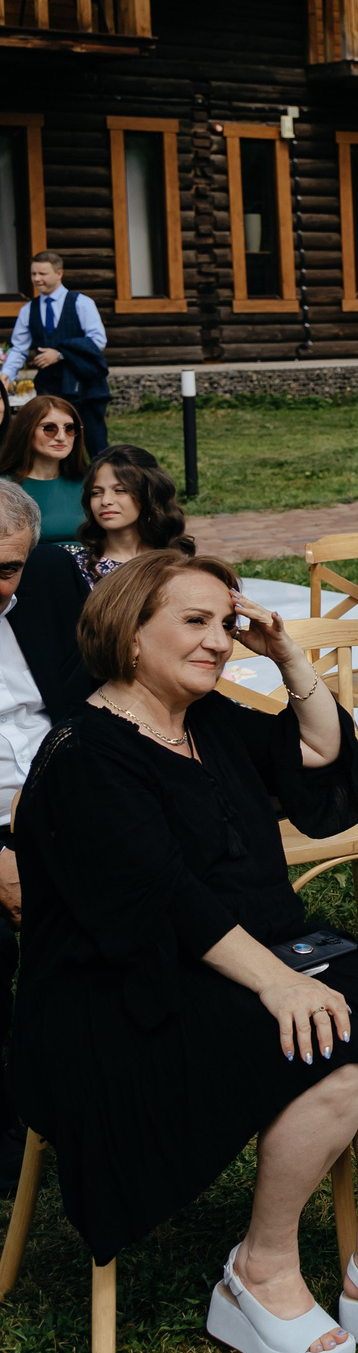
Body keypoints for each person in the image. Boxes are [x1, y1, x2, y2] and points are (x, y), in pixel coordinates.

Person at [10, 553, 358, 1353]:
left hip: (239, 950)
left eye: (223, 624)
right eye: (193, 623)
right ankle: (258, 1272)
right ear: (128, 634)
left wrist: (290, 657)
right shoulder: (86, 753)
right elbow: (162, 901)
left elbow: (321, 761)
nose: (219, 642)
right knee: (328, 1057)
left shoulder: (206, 717)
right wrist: (279, 981)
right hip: (119, 989)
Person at [0, 481, 89, 1198]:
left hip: (55, 788)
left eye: (7, 569)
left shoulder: (52, 575)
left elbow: (92, 694)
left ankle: (98, 1089)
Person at [1, 253, 108, 451]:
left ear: (59, 273)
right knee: (53, 440)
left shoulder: (81, 303)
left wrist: (59, 354)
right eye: (33, 273)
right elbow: (19, 348)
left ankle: (100, 480)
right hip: (49, 386)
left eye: (42, 273)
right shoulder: (28, 310)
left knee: (95, 441)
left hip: (84, 384)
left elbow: (98, 340)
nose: (36, 279)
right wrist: (6, 374)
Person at [72, 446, 191, 588]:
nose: (105, 501)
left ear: (147, 495)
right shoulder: (79, 567)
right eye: (96, 492)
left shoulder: (176, 561)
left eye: (120, 490)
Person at [0, 394, 87, 544]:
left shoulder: (90, 482)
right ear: (27, 430)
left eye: (69, 428)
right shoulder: (4, 486)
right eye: (49, 428)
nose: (61, 437)